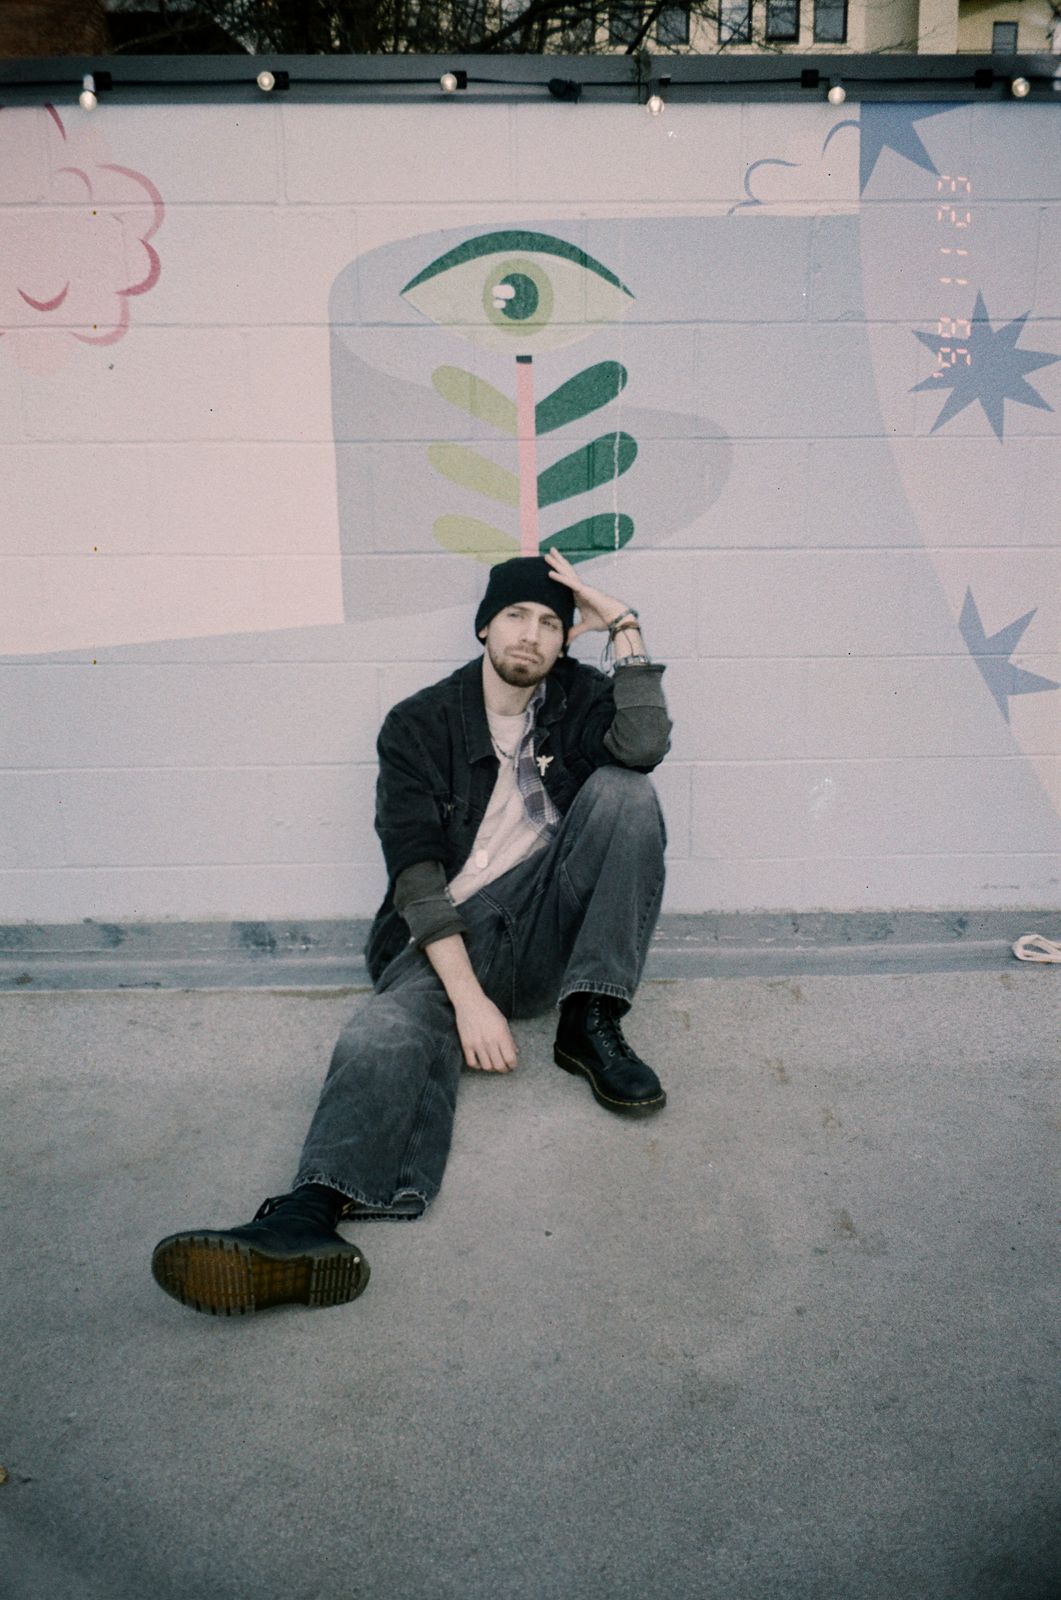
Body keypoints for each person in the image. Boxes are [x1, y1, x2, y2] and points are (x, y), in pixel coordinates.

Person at [151, 547, 672, 1317]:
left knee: (627, 792)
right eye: (515, 616)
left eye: (549, 623)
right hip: (445, 934)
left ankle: (588, 1019)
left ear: (566, 639)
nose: (530, 635)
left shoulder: (581, 698)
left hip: (541, 923)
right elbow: (417, 876)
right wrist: (467, 1000)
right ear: (484, 627)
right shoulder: (419, 724)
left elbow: (644, 747)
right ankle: (305, 1219)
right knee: (380, 1033)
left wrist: (622, 624)